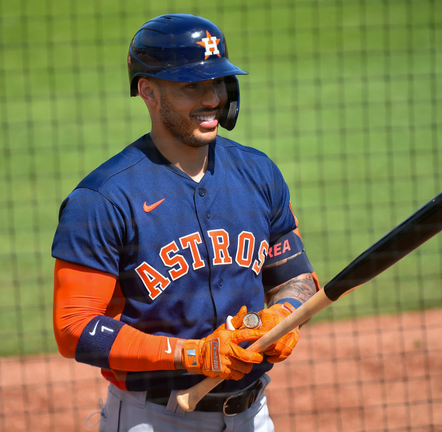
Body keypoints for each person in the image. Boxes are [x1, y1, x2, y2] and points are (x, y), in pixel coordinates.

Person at [51, 13, 320, 432]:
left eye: (217, 82)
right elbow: (76, 329)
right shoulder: (102, 199)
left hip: (253, 415)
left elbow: (296, 276)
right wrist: (192, 355)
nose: (211, 98)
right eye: (191, 86)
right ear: (148, 92)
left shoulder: (259, 173)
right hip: (154, 418)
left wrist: (285, 314)